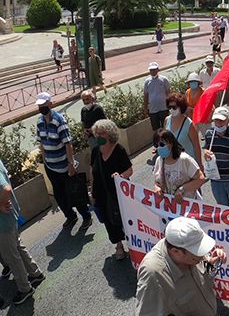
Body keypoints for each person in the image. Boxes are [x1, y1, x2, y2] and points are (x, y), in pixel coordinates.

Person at [35, 92, 92, 230]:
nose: (41, 107)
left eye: (44, 104)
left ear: (50, 104)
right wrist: (44, 160)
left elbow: (68, 144)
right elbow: (41, 142)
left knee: (74, 192)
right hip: (51, 166)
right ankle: (70, 216)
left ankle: (86, 216)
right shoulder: (39, 121)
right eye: (39, 105)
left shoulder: (58, 120)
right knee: (59, 195)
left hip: (64, 167)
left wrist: (71, 164)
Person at [0, 157, 45, 304]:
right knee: (18, 246)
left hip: (3, 222)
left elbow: (5, 189)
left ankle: (25, 289)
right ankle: (34, 272)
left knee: (11, 256)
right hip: (9, 217)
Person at [89, 120, 134, 260]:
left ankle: (133, 245)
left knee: (125, 220)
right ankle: (119, 245)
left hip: (119, 194)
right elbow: (92, 171)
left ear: (110, 134)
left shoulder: (119, 150)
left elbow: (129, 170)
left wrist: (120, 177)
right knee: (109, 221)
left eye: (102, 133)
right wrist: (92, 193)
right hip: (102, 194)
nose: (99, 136)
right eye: (97, 133)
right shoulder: (96, 150)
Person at [153, 128, 207, 203]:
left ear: (171, 144)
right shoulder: (159, 160)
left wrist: (182, 189)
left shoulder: (184, 159)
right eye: (156, 145)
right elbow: (157, 180)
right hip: (170, 208)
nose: (159, 147)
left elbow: (201, 179)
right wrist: (157, 188)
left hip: (189, 207)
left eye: (162, 144)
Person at [164, 93, 203, 168]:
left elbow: (196, 145)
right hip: (174, 163)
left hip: (189, 164)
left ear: (181, 107)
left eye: (174, 107)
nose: (171, 110)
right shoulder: (167, 120)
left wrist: (200, 164)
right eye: (169, 107)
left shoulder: (189, 124)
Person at [143, 62, 171, 131]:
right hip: (153, 110)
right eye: (151, 70)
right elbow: (146, 96)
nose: (152, 71)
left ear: (158, 70)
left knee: (165, 127)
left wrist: (170, 106)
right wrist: (145, 109)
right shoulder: (147, 82)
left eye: (154, 69)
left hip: (163, 108)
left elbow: (169, 94)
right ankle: (158, 141)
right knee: (156, 129)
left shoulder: (164, 80)